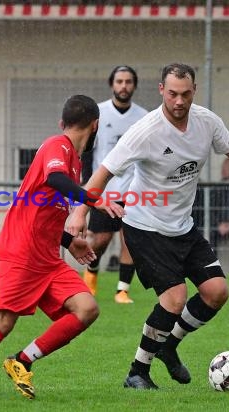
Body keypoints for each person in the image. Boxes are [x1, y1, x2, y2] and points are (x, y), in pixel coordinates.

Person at [68, 63, 229, 390]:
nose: (179, 100)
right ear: (162, 90)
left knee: (217, 292)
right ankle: (137, 371)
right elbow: (103, 172)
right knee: (175, 298)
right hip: (144, 226)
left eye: (186, 94)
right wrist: (79, 212)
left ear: (194, 91)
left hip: (182, 227)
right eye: (173, 93)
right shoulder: (146, 130)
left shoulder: (206, 122)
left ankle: (169, 344)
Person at [0, 95, 118, 401]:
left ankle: (21, 361)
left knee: (86, 309)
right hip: (20, 253)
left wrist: (68, 241)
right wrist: (94, 199)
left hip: (46, 258)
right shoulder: (56, 146)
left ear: (64, 121)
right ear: (95, 125)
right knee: (3, 322)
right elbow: (55, 178)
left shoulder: (72, 161)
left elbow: (41, 211)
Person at [81, 65, 148, 304]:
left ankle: (122, 290)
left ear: (134, 85)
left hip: (134, 191)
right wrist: (88, 184)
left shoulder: (143, 117)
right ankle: (91, 274)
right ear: (112, 84)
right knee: (99, 241)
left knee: (129, 240)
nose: (124, 86)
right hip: (104, 191)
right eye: (119, 81)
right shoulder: (98, 113)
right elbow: (88, 151)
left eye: (128, 81)